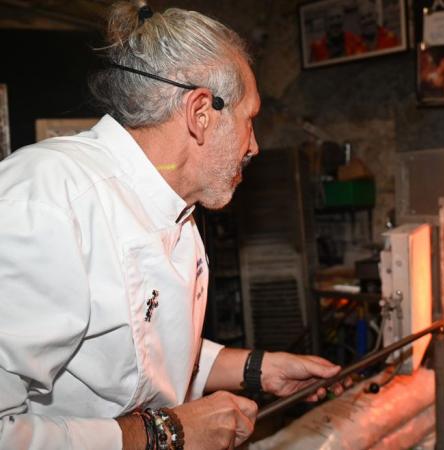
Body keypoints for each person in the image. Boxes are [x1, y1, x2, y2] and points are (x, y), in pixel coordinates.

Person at [0, 2, 346, 449]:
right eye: (250, 120)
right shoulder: (47, 200)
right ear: (200, 113)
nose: (254, 146)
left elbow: (137, 352)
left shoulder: (172, 208)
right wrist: (167, 433)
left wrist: (258, 369)